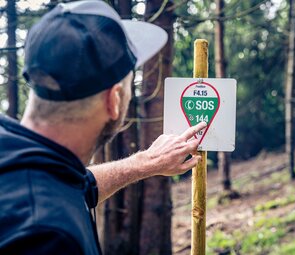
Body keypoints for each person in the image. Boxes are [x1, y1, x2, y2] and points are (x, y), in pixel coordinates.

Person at [0, 1, 206, 254]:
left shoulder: (28, 162)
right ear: (114, 100)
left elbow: (78, 186)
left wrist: (146, 162)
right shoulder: (48, 236)